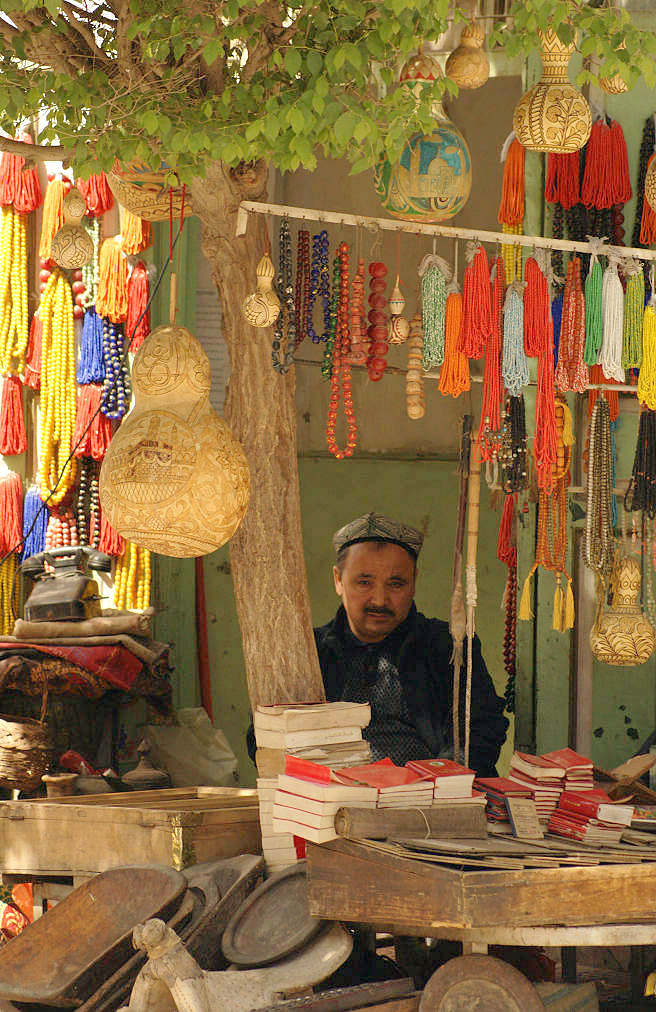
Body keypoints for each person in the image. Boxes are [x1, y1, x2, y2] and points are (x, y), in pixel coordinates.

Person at [314, 511, 508, 776]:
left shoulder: (449, 647)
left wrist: (432, 782)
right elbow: (264, 739)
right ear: (338, 580)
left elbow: (480, 731)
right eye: (364, 582)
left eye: (396, 584)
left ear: (414, 582)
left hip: (430, 801)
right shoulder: (313, 651)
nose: (380, 600)